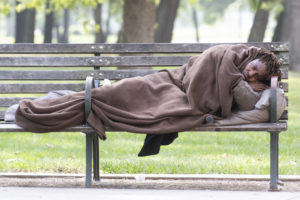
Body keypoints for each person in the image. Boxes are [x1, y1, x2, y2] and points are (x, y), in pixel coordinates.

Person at [14, 44, 282, 156]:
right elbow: (205, 63)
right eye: (252, 67)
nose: (249, 73)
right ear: (252, 59)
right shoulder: (231, 55)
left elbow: (239, 99)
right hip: (170, 81)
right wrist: (235, 79)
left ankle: (52, 105)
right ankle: (45, 106)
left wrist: (249, 84)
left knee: (106, 97)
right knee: (111, 93)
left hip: (174, 94)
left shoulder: (245, 85)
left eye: (254, 76)